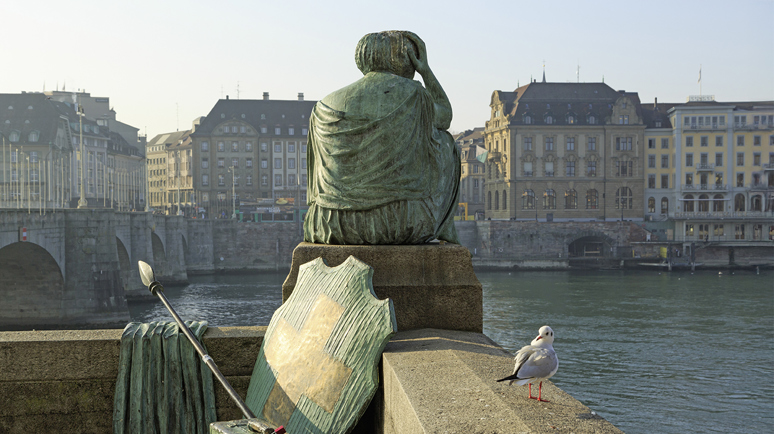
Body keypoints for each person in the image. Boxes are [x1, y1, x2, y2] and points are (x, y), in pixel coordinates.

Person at [304, 31, 460, 245]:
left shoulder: (323, 105)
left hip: (328, 225)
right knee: (445, 141)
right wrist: (426, 71)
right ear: (406, 59)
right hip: (400, 224)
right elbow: (445, 116)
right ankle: (446, 230)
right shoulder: (415, 95)